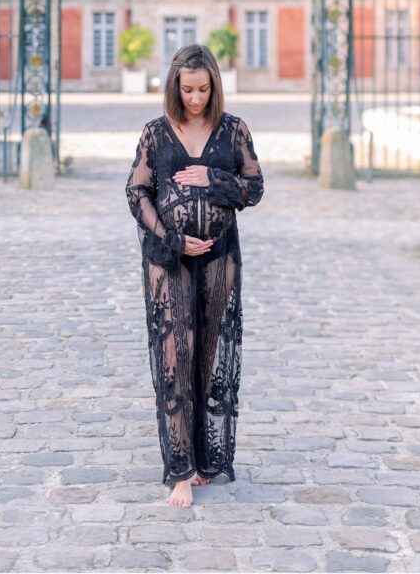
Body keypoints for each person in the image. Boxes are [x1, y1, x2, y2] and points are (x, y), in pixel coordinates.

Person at [125, 43, 264, 508]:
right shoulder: (155, 134)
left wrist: (213, 179)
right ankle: (180, 470)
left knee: (208, 357)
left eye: (204, 89)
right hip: (168, 259)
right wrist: (172, 238)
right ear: (174, 87)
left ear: (215, 86)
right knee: (174, 355)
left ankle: (206, 460)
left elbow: (255, 187)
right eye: (188, 89)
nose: (196, 98)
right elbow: (137, 192)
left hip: (220, 257)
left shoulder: (234, 130)